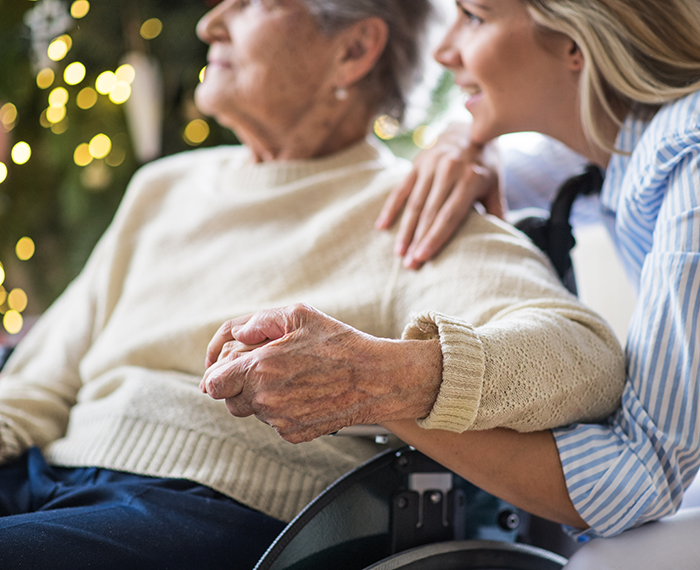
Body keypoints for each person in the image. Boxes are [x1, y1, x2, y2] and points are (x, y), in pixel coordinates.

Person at [0, 0, 625, 567]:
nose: (211, 23)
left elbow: (585, 358)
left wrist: (379, 375)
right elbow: (36, 384)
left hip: (211, 511)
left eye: (252, 4)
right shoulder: (163, 187)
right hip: (45, 476)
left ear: (353, 50)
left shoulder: (411, 208)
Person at [204, 0, 700, 542]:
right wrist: (466, 141)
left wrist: (372, 382)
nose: (443, 51)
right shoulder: (621, 146)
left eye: (475, 17)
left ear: (575, 43)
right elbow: (495, 163)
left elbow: (642, 473)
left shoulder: (691, 171)